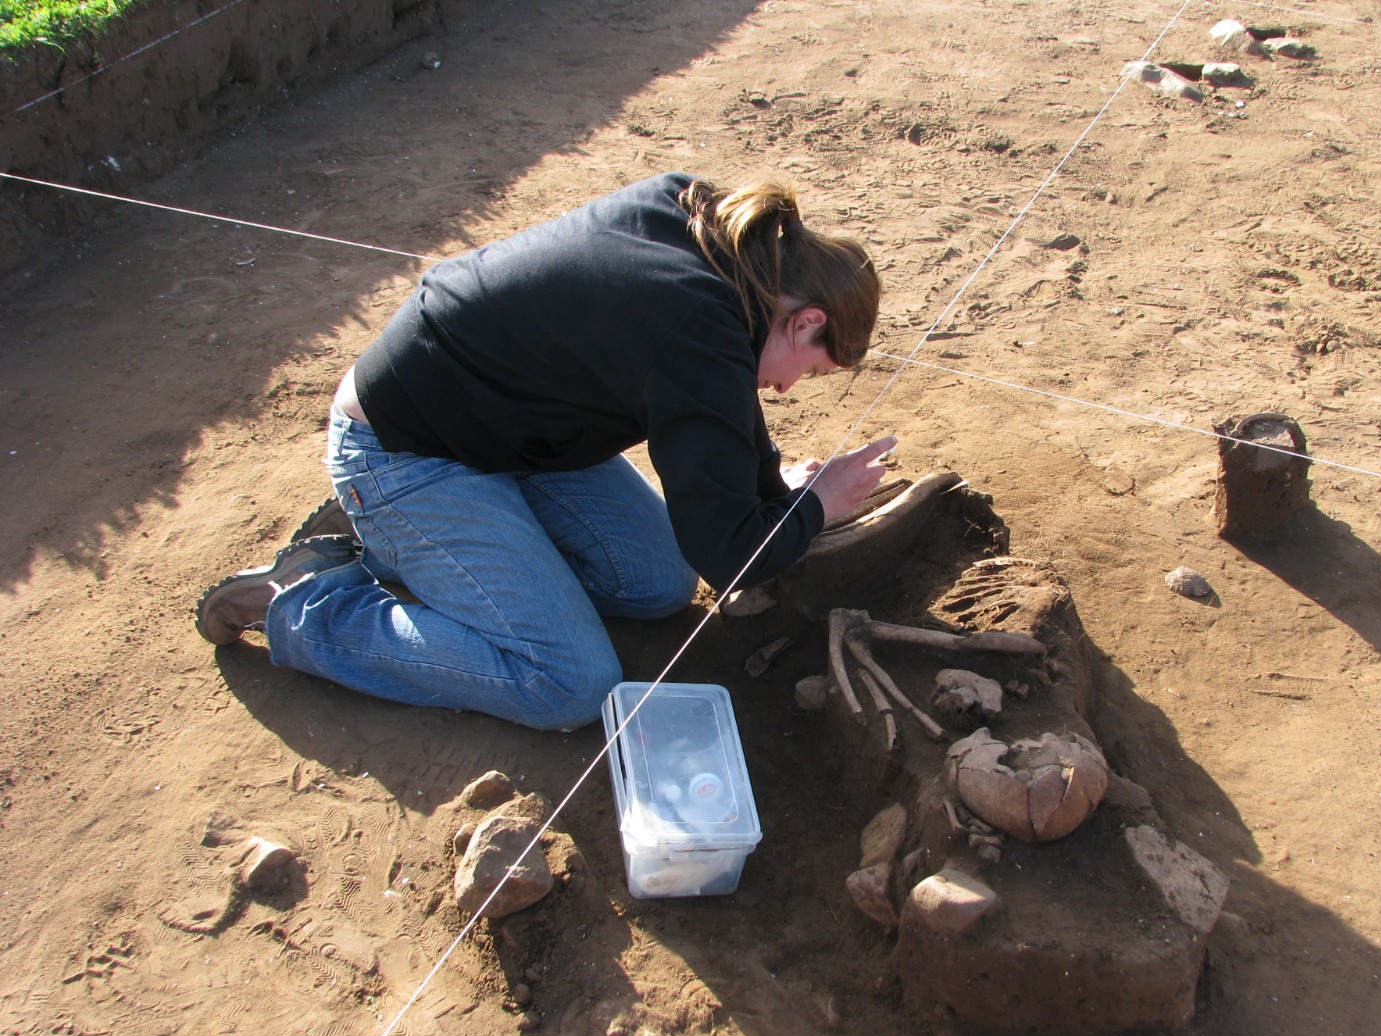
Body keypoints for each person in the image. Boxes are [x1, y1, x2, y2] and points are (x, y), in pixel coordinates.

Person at [195, 172, 894, 730]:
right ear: (806, 320)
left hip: (513, 431)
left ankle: (412, 548)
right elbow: (728, 554)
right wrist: (813, 507)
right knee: (569, 683)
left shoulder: (712, 233)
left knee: (657, 583)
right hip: (403, 448)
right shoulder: (697, 328)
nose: (788, 387)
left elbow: (724, 397)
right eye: (812, 368)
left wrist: (774, 485)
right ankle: (305, 606)